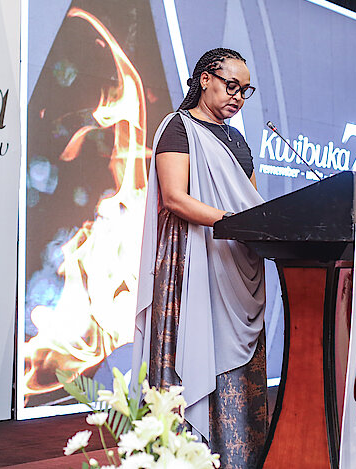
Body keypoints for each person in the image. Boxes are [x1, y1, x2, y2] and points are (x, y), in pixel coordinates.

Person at [132, 48, 267, 469]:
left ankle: (237, 459)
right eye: (231, 86)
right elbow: (174, 197)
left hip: (236, 261)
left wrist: (259, 226)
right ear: (205, 79)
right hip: (192, 258)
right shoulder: (179, 127)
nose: (238, 97)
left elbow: (250, 201)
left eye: (245, 91)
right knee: (194, 358)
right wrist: (233, 222)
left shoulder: (238, 140)